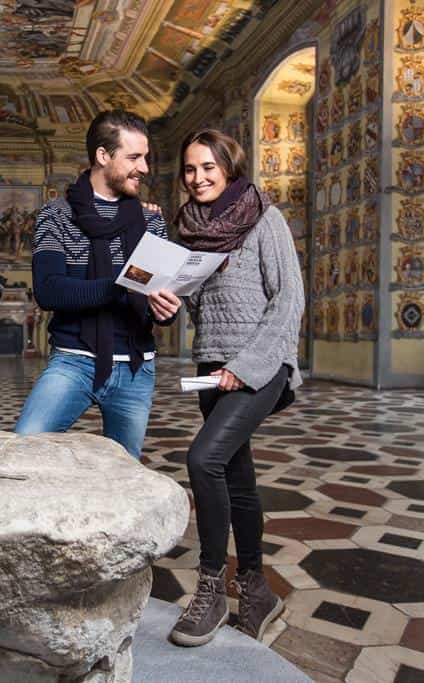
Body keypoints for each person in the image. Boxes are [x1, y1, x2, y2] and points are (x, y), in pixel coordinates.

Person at [167, 129, 304, 647]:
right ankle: (257, 590)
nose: (198, 178)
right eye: (189, 169)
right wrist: (169, 296)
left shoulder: (265, 217)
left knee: (203, 459)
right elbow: (201, 305)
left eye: (207, 167)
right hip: (212, 365)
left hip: (261, 367)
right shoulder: (190, 230)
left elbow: (288, 299)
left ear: (229, 168)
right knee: (237, 476)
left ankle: (210, 588)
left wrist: (247, 366)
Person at [14, 110, 181, 459]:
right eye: (134, 157)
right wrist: (120, 287)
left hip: (137, 367)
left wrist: (167, 311)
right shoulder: (56, 215)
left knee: (124, 474)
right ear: (103, 156)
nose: (145, 168)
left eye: (146, 157)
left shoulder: (151, 220)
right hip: (75, 362)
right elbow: (49, 291)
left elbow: (159, 304)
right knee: (25, 448)